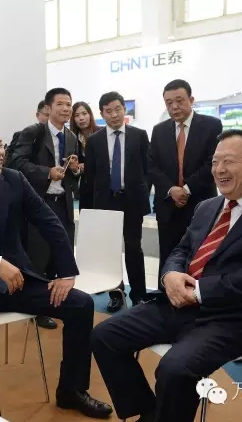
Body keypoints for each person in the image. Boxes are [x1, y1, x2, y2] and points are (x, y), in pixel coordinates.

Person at [92, 130, 242, 422]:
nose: (218, 170)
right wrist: (170, 275)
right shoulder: (208, 206)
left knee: (174, 369)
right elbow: (182, 249)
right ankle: (149, 413)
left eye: (229, 161)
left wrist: (199, 292)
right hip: (178, 305)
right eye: (215, 162)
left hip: (232, 319)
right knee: (105, 336)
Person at [0, 120, 112, 419]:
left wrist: (66, 273)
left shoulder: (14, 180)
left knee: (80, 305)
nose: (0, 152)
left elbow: (49, 223)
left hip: (19, 281)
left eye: (1, 145)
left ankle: (72, 390)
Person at [149, 79, 222, 287]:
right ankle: (165, 295)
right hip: (168, 205)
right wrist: (171, 189)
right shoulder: (159, 130)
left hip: (200, 204)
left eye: (179, 100)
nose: (174, 106)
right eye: (169, 102)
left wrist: (186, 189)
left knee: (199, 256)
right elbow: (152, 165)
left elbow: (213, 162)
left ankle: (195, 297)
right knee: (167, 254)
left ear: (191, 99)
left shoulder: (211, 126)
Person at [8, 88, 80, 296]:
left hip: (63, 204)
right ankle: (35, 302)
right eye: (60, 104)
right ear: (48, 108)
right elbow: (17, 164)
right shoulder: (33, 133)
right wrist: (47, 172)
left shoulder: (71, 137)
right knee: (37, 256)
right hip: (38, 202)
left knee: (61, 255)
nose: (66, 108)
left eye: (69, 104)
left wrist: (74, 169)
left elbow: (71, 177)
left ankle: (58, 300)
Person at [85, 92, 150, 311]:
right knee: (110, 252)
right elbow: (90, 176)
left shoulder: (139, 136)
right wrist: (89, 209)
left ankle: (139, 294)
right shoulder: (94, 140)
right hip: (105, 202)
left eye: (117, 109)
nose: (114, 115)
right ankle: (116, 294)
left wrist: (143, 192)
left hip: (131, 201)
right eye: (108, 111)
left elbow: (148, 168)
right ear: (102, 113)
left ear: (124, 109)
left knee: (134, 248)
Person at [70, 101, 100, 210]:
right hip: (85, 188)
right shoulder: (71, 138)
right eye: (77, 115)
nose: (81, 118)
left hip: (103, 187)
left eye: (84, 113)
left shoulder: (102, 133)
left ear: (90, 114)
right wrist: (76, 168)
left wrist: (87, 166)